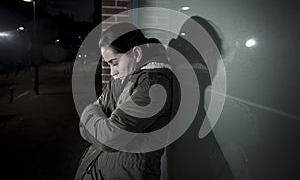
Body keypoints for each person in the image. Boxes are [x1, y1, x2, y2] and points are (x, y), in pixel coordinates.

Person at [75, 22, 175, 180]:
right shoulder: (120, 79)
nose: (112, 72)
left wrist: (87, 114)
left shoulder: (153, 85)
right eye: (108, 65)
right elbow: (97, 124)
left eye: (114, 63)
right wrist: (95, 121)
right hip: (100, 168)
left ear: (136, 54)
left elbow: (108, 138)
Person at [165, 16, 236, 180]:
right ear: (208, 54)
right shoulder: (193, 91)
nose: (218, 69)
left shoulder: (174, 83)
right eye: (219, 60)